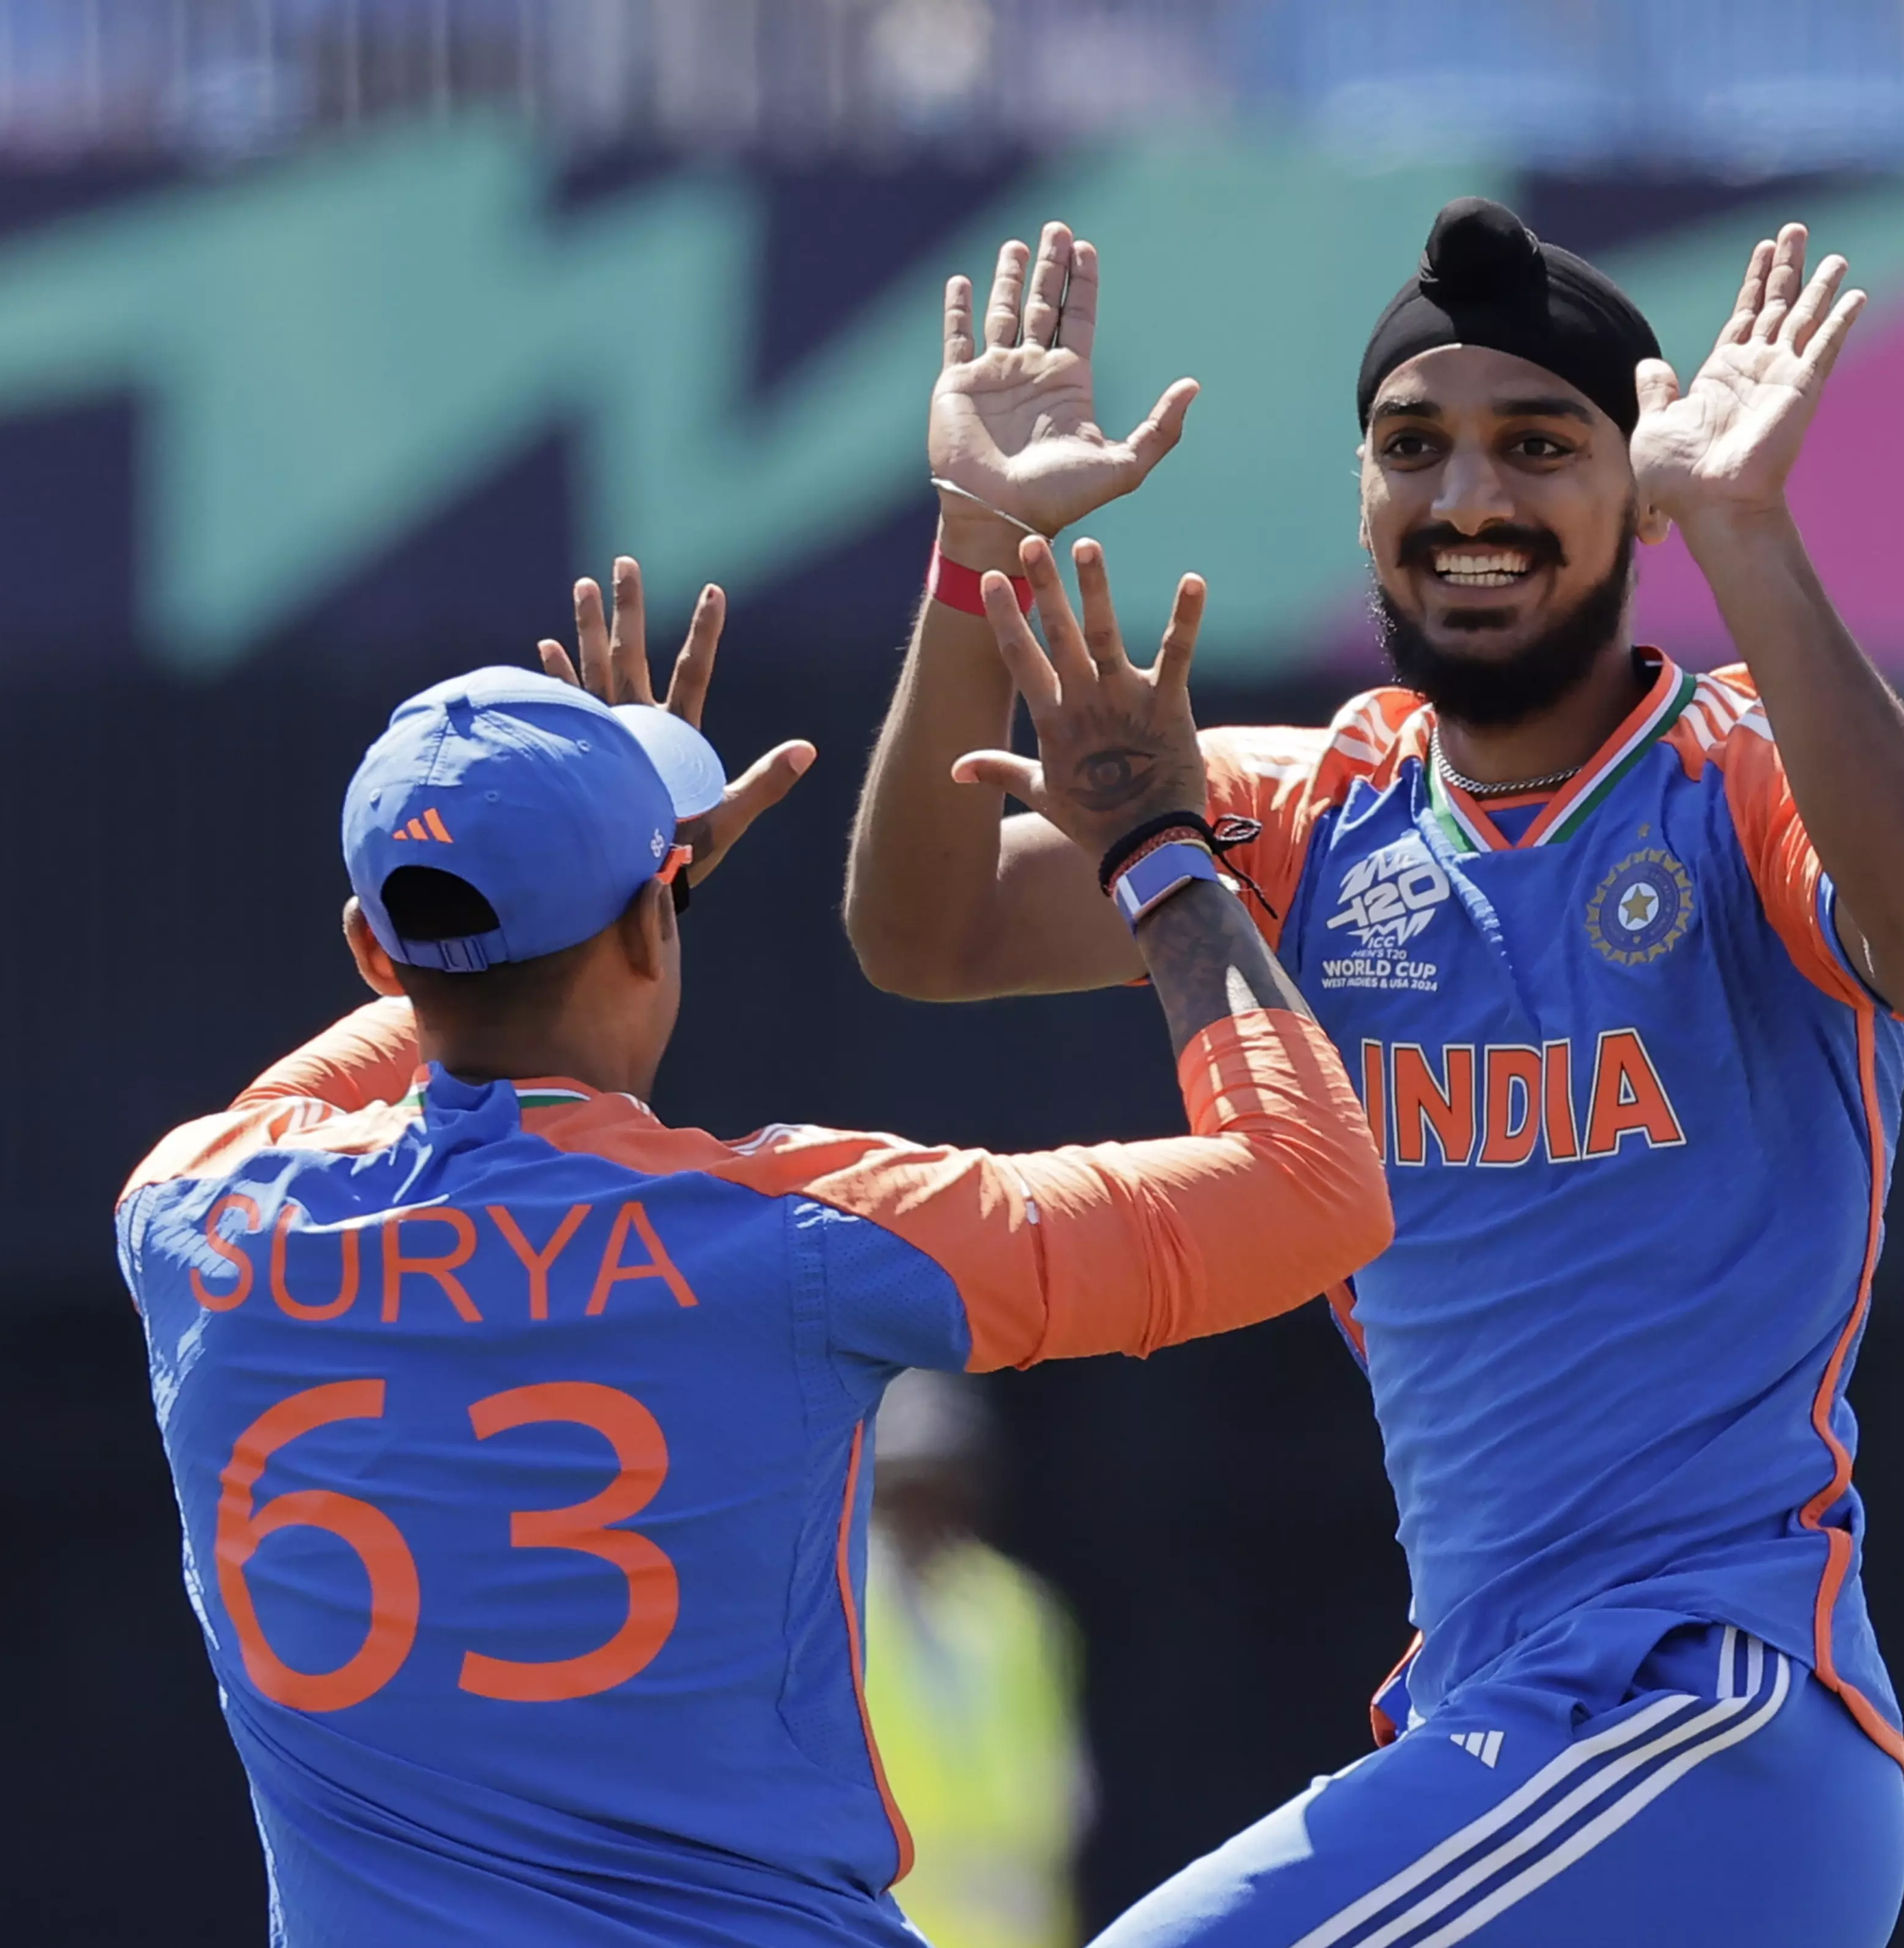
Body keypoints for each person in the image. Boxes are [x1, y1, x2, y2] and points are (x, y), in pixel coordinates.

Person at [844, 199, 1904, 1943]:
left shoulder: (1735, 781)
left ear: (1636, 491)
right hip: (1503, 1717)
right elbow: (926, 936)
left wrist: (1749, 531)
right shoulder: (1319, 808)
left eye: (1538, 446)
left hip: (1699, 1718)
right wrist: (975, 551)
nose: (1468, 499)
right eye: (1415, 448)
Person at [114, 562, 1391, 1945]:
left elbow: (411, 1045)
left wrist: (610, 885)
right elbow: (1309, 1192)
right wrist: (1162, 854)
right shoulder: (793, 1235)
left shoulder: (193, 1218)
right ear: (656, 921)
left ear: (370, 946)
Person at [865, 1369, 1091, 1948]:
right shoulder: (833, 1606)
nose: (925, 1505)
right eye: (905, 1482)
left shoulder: (1016, 1607)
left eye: (941, 1479)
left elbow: (1063, 1790)